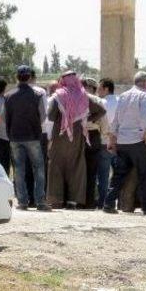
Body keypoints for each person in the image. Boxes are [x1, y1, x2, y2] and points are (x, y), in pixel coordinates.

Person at [47, 71, 106, 209]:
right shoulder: (83, 95)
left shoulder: (58, 95)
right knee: (76, 168)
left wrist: (66, 118)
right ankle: (73, 201)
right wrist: (84, 119)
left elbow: (50, 116)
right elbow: (101, 111)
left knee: (56, 167)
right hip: (78, 137)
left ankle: (57, 200)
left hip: (60, 137)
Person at [103, 71, 146, 214]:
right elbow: (145, 119)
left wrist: (112, 138)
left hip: (122, 141)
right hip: (137, 141)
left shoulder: (123, 96)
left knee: (119, 175)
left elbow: (116, 120)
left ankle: (108, 204)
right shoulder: (144, 96)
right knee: (145, 175)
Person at [4, 65, 51, 211]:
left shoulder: (8, 96)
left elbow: (6, 117)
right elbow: (43, 117)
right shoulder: (37, 95)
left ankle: (22, 202)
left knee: (18, 170)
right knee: (38, 169)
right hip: (33, 136)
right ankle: (40, 201)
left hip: (15, 136)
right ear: (30, 77)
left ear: (17, 77)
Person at [82, 77, 111, 209]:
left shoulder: (75, 98)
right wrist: (104, 135)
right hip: (93, 136)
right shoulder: (97, 101)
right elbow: (104, 122)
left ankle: (77, 200)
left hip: (77, 137)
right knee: (92, 171)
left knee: (78, 170)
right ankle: (89, 202)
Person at [96, 78, 118, 208]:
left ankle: (103, 202)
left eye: (100, 88)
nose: (98, 91)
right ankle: (117, 202)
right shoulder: (121, 101)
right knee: (118, 175)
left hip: (104, 142)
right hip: (119, 142)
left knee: (103, 175)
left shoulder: (102, 102)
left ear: (106, 89)